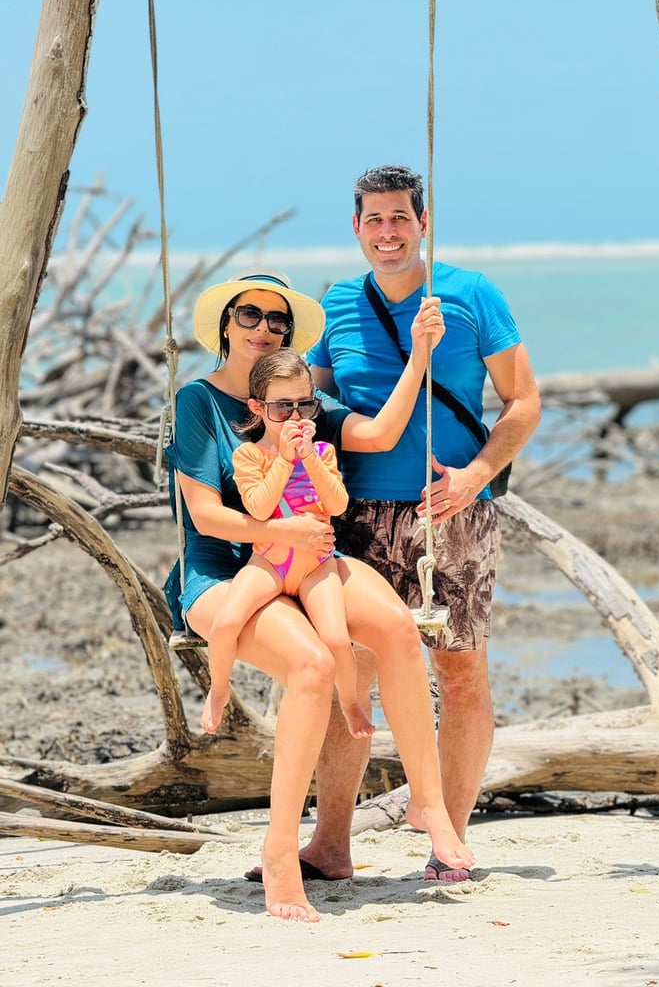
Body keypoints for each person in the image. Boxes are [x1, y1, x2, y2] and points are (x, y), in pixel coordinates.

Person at [165, 269, 474, 921]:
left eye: (277, 319)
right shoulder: (197, 401)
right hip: (224, 573)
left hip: (307, 559)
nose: (263, 327)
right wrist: (279, 530)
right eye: (249, 314)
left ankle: (428, 801)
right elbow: (207, 518)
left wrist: (420, 355)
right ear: (225, 324)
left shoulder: (302, 400)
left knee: (395, 627)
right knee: (313, 664)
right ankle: (280, 852)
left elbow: (381, 434)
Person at [304, 165, 542, 883]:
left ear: (423, 222)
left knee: (460, 676)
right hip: (355, 520)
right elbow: (306, 405)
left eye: (400, 218)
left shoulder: (471, 294)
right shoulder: (337, 303)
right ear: (356, 228)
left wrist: (476, 475)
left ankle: (449, 841)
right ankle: (330, 846)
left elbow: (524, 402)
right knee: (351, 677)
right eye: (374, 220)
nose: (388, 232)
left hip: (453, 513)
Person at [201, 348, 372, 740]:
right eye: (281, 408)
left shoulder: (323, 453)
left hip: (316, 566)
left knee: (337, 640)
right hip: (270, 562)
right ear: (257, 408)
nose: (294, 418)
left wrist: (309, 459)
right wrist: (283, 459)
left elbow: (338, 505)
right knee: (226, 622)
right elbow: (259, 509)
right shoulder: (249, 456)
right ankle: (219, 690)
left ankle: (349, 702)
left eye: (303, 406)